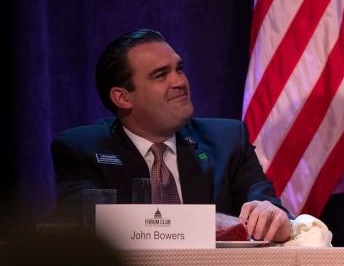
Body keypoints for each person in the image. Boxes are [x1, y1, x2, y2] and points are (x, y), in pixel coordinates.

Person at [51, 29, 291, 242]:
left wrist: (275, 219)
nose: (179, 81)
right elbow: (87, 224)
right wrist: (209, 223)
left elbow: (273, 215)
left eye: (179, 69)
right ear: (123, 98)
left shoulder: (227, 140)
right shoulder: (82, 149)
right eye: (160, 75)